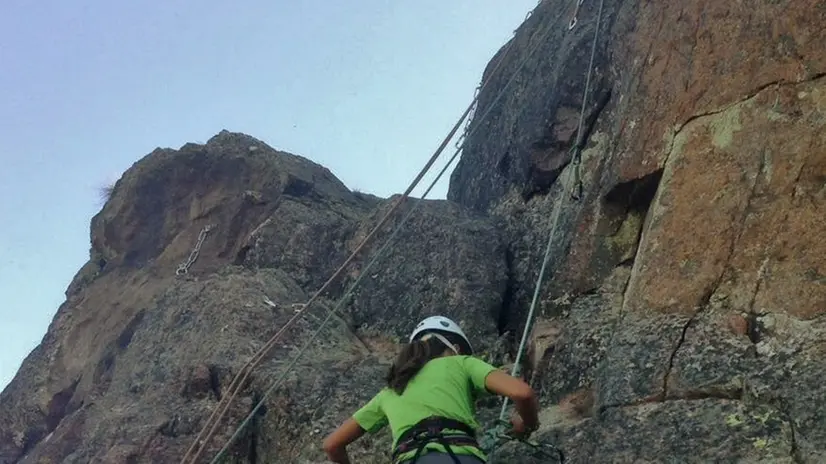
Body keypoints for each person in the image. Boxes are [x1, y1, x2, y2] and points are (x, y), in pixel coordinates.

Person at [322, 315, 540, 464]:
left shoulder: (391, 391)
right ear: (454, 348)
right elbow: (522, 392)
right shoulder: (462, 363)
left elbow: (333, 444)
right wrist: (527, 425)